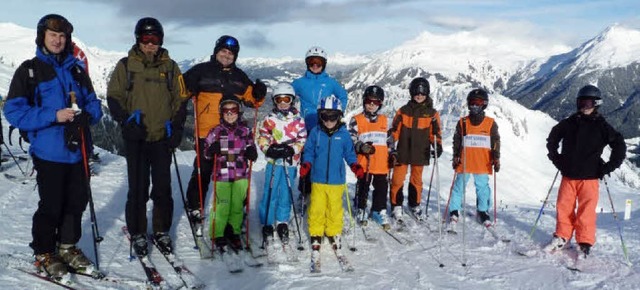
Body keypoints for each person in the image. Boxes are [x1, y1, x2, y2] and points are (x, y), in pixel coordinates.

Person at [3, 14, 103, 279]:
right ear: (42, 37)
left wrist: (87, 115)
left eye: (62, 36)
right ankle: (45, 251)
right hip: (48, 152)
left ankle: (68, 247)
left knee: (76, 202)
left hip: (78, 150)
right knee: (51, 204)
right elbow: (14, 112)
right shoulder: (30, 70)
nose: (58, 40)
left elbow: (94, 104)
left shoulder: (77, 70)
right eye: (53, 35)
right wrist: (53, 116)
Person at [106, 17, 188, 257]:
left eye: (155, 39)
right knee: (138, 188)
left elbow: (181, 99)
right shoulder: (126, 65)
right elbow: (114, 97)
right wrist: (126, 122)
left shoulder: (171, 67)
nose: (150, 44)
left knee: (162, 188)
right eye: (146, 38)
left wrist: (177, 127)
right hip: (137, 137)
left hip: (162, 137)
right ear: (138, 39)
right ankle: (139, 231)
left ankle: (162, 230)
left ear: (160, 41)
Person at [182, 35, 266, 231]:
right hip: (206, 133)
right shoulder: (201, 71)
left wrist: (259, 94)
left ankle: (236, 208)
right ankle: (195, 205)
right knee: (203, 169)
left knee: (234, 173)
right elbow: (181, 91)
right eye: (223, 51)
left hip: (232, 135)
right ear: (216, 50)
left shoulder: (239, 76)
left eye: (231, 53)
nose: (226, 55)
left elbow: (253, 101)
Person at [544, 84, 625, 257]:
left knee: (586, 211)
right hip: (569, 175)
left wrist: (608, 167)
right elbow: (553, 138)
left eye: (588, 103)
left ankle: (584, 242)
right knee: (563, 207)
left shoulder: (602, 126)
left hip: (590, 177)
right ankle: (562, 237)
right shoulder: (570, 123)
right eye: (581, 103)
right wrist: (556, 158)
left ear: (596, 104)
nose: (583, 107)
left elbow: (619, 145)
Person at [299, 95, 363, 272]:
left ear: (339, 116)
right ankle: (316, 233)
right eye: (325, 116)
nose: (328, 121)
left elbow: (349, 154)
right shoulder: (315, 133)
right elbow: (309, 151)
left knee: (335, 209)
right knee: (317, 208)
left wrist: (355, 166)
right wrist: (306, 163)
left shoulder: (343, 136)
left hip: (336, 181)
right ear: (320, 116)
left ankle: (334, 232)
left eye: (333, 116)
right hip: (318, 179)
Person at [292, 46, 348, 203]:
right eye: (311, 62)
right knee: (307, 160)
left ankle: (322, 190)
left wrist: (337, 112)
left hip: (326, 126)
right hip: (307, 128)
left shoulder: (330, 83)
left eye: (318, 62)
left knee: (323, 159)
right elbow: (287, 95)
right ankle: (304, 192)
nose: (315, 65)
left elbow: (343, 95)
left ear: (324, 64)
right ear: (307, 63)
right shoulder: (300, 82)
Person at [204, 95, 258, 254]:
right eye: (225, 110)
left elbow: (251, 147)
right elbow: (206, 152)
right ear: (221, 112)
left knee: (237, 206)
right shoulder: (216, 131)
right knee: (222, 206)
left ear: (239, 111)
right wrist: (210, 150)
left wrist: (252, 152)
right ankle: (217, 233)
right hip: (222, 174)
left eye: (233, 110)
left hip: (241, 173)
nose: (229, 114)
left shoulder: (245, 131)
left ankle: (234, 230)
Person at [257, 82, 306, 246]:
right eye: (280, 99)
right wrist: (268, 149)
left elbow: (302, 139)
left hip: (289, 163)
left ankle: (282, 221)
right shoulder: (269, 119)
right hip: (273, 162)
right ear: (275, 101)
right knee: (270, 191)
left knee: (286, 191)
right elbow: (263, 136)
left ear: (292, 100)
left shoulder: (298, 120)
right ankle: (267, 222)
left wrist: (292, 150)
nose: (283, 102)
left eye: (287, 99)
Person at [388, 77, 442, 223]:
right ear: (412, 93)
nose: (419, 96)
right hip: (403, 151)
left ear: (427, 94)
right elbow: (395, 130)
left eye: (423, 93)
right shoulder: (403, 111)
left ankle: (414, 204)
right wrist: (391, 141)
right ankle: (396, 205)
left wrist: (437, 144)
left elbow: (435, 133)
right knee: (397, 179)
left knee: (416, 180)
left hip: (420, 152)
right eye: (417, 93)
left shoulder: (432, 114)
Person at [448, 88, 501, 232]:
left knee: (483, 188)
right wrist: (455, 156)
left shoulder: (490, 123)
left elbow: (495, 142)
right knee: (459, 186)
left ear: (484, 104)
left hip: (482, 162)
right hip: (465, 161)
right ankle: (454, 210)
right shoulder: (463, 122)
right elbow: (457, 141)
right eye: (471, 103)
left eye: (477, 103)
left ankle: (482, 211)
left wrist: (496, 158)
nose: (474, 106)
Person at [348, 85, 392, 229]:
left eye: (376, 102)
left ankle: (377, 210)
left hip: (381, 163)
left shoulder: (385, 121)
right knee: (363, 186)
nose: (372, 105)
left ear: (380, 104)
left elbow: (390, 140)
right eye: (369, 101)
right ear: (364, 101)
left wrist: (393, 154)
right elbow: (351, 139)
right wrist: (361, 146)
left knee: (381, 188)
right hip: (364, 162)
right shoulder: (357, 120)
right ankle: (360, 208)